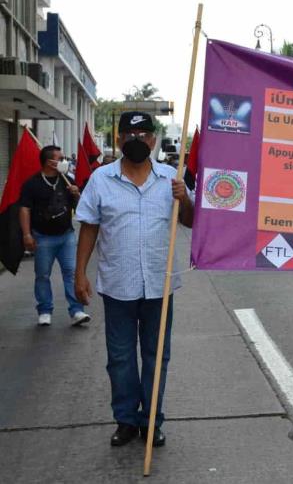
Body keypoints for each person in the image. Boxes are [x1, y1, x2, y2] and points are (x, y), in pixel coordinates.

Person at [74, 112, 194, 448]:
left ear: (154, 140)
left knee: (157, 356)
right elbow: (89, 227)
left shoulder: (171, 178)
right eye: (130, 133)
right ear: (118, 139)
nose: (137, 139)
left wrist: (184, 198)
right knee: (121, 358)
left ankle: (152, 421)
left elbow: (190, 221)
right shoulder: (101, 179)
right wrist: (79, 272)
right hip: (118, 286)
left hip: (159, 284)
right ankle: (126, 419)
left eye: (144, 133)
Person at [19, 145, 90, 327]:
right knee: (42, 275)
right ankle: (44, 310)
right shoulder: (32, 184)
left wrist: (77, 194)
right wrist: (27, 234)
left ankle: (76, 310)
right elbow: (25, 209)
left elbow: (82, 208)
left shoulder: (67, 180)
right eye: (60, 158)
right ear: (50, 162)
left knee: (71, 273)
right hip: (43, 238)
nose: (64, 162)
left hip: (66, 236)